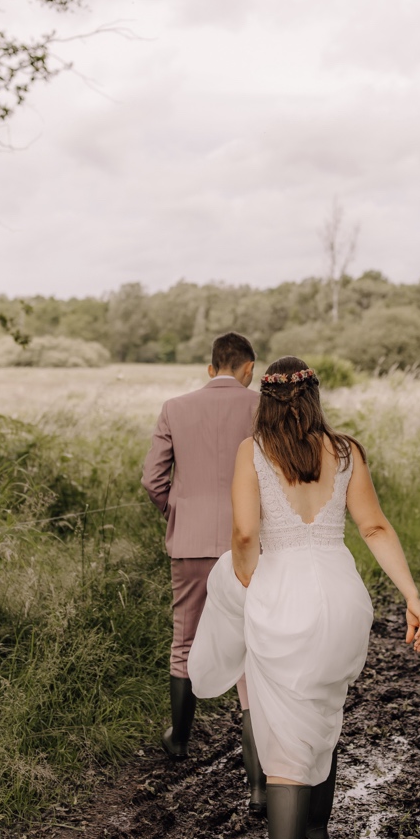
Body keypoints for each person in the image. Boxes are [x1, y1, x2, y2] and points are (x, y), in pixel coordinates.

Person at [188, 356, 420, 839]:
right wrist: (411, 595)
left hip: (283, 595)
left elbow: (246, 536)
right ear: (314, 396)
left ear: (266, 401)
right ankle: (317, 831)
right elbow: (374, 528)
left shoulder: (252, 453)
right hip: (341, 595)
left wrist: (249, 583)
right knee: (323, 709)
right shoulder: (345, 452)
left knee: (284, 737)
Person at [140, 332, 268, 812]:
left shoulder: (175, 407)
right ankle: (258, 782)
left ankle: (179, 739)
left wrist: (178, 513)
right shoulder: (260, 408)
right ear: (248, 367)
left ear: (211, 367)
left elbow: (153, 480)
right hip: (248, 542)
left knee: (185, 638)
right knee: (251, 647)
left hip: (190, 542)